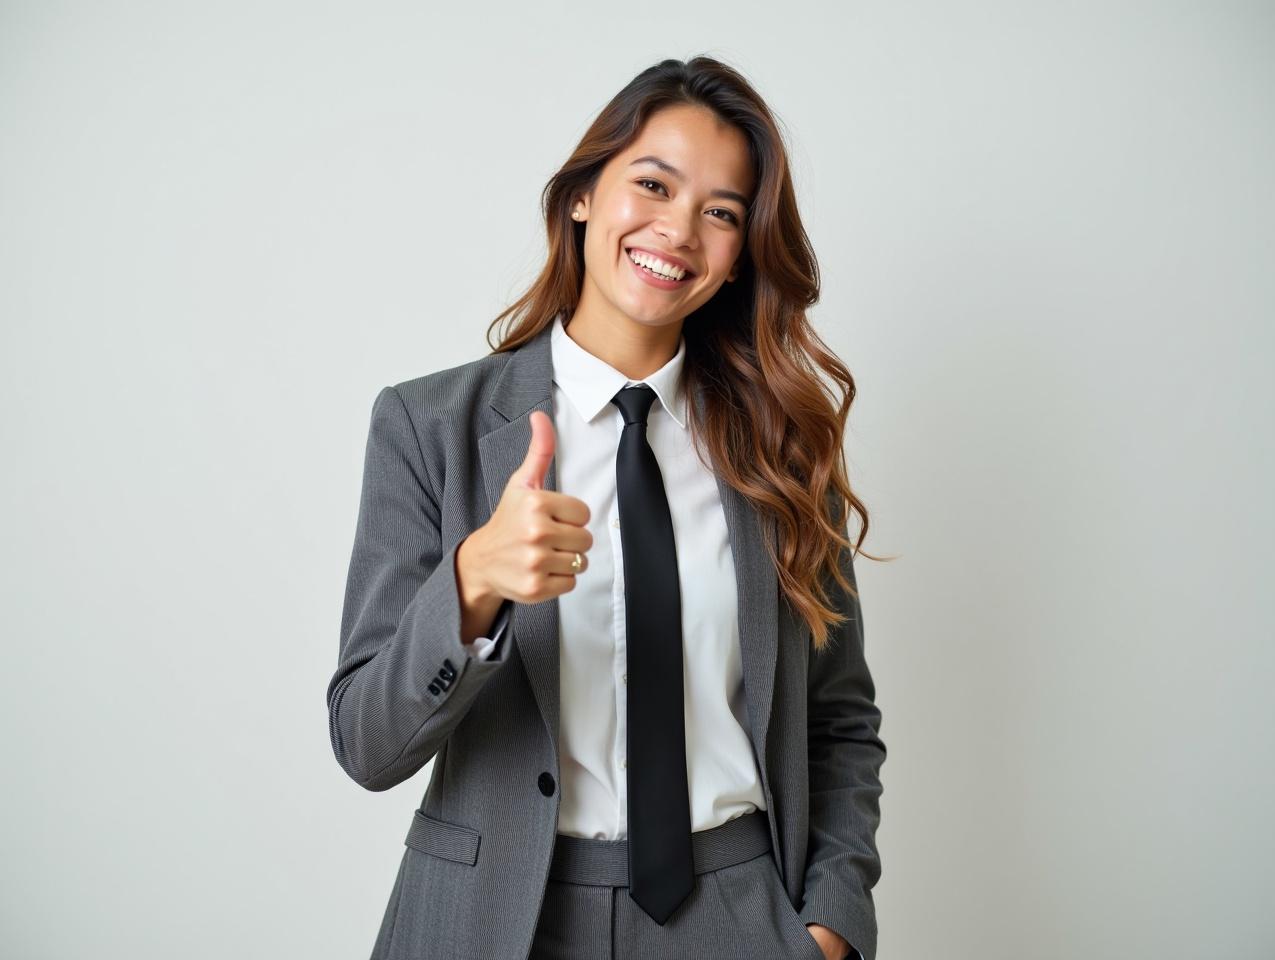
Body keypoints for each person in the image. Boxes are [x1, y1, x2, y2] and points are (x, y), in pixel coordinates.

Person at [326, 55, 887, 960]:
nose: (678, 230)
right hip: (498, 921)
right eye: (653, 184)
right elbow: (364, 743)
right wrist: (470, 587)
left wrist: (829, 926)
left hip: (736, 915)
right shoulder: (427, 426)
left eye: (722, 213)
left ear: (741, 252)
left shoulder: (781, 448)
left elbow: (839, 721)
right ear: (585, 193)